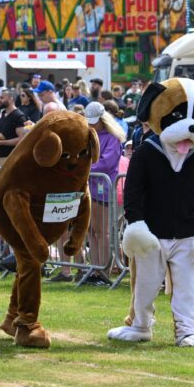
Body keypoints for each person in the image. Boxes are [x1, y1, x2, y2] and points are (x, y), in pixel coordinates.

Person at [84, 102, 125, 286]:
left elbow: (106, 163)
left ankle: (104, 271)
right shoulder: (89, 134)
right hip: (90, 186)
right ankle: (95, 268)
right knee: (92, 231)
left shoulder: (113, 138)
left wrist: (83, 167)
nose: (92, 124)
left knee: (102, 231)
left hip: (103, 187)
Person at [0, 89, 26, 165]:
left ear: (11, 99)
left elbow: (21, 139)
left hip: (10, 158)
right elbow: (5, 134)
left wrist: (1, 142)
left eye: (2, 98)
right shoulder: (3, 113)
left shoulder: (18, 116)